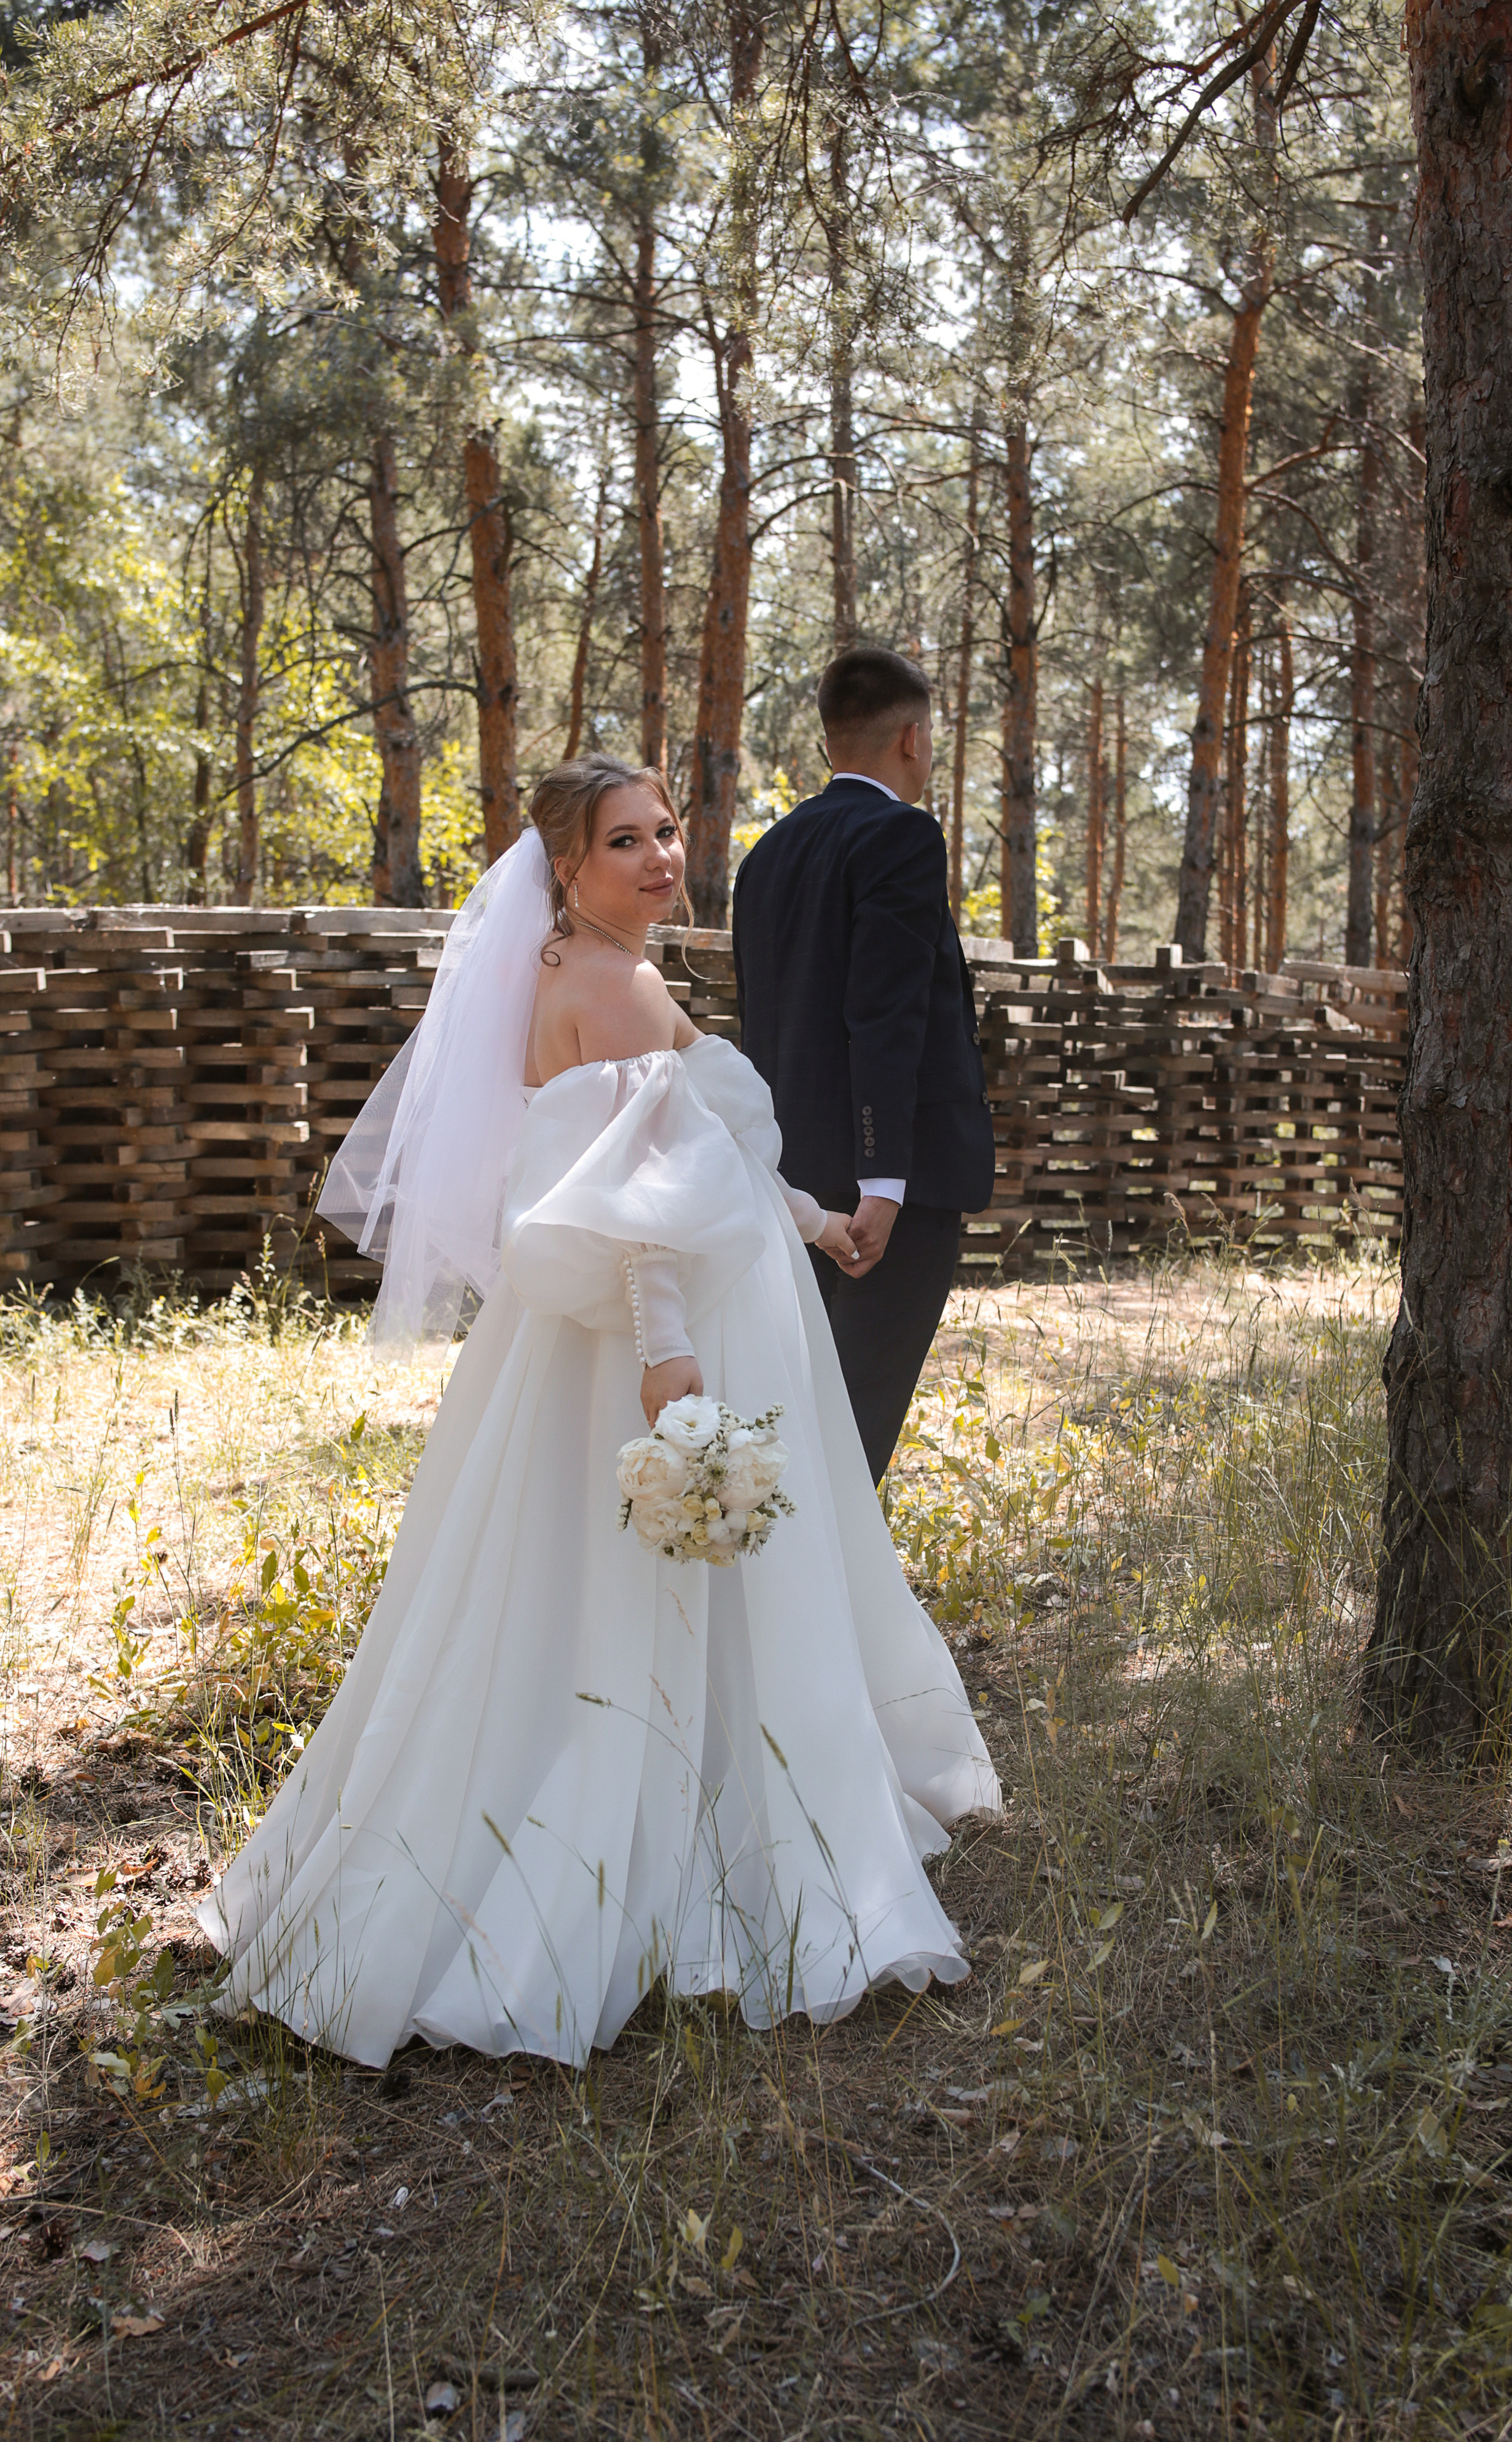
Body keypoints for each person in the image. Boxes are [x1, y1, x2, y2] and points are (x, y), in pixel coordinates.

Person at [197, 754, 999, 2070]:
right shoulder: (610, 982)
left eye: (668, 832)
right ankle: (657, 1843)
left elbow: (710, 1151)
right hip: (653, 1331)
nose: (659, 857)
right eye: (624, 841)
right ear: (562, 868)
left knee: (569, 1576)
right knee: (662, 1577)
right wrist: (668, 1357)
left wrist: (808, 1217)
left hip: (610, 1323)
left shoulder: (578, 967)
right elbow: (635, 1202)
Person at [731, 647, 997, 1484]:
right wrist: (883, 1180)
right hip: (887, 1197)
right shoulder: (902, 835)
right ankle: (824, 1609)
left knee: (795, 1411)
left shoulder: (765, 856)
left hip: (787, 1181)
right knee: (852, 1433)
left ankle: (774, 1597)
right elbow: (885, 1013)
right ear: (914, 739)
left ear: (828, 744)